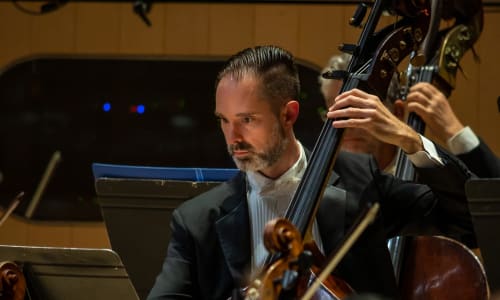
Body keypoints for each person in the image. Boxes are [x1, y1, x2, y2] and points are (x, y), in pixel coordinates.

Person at [147, 45, 475, 300]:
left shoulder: (360, 182)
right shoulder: (195, 222)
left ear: (288, 115)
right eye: (224, 120)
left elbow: (467, 219)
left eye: (247, 120)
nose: (233, 138)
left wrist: (409, 139)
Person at [320, 53, 500, 177]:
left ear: (396, 113)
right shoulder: (320, 179)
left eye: (360, 111)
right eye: (339, 110)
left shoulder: (428, 176)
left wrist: (454, 132)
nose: (348, 125)